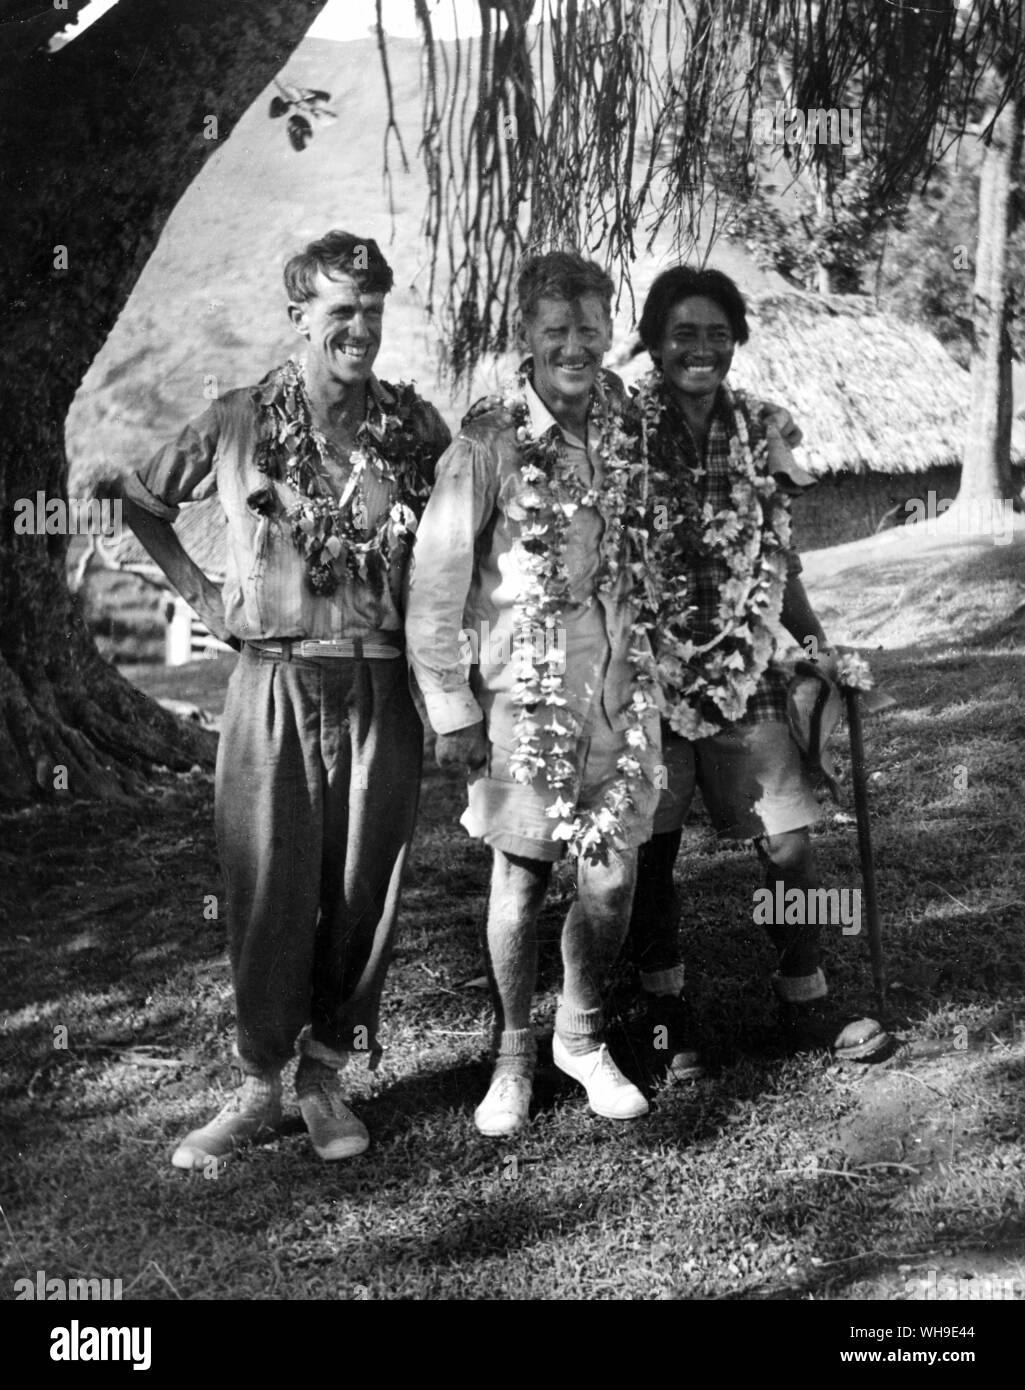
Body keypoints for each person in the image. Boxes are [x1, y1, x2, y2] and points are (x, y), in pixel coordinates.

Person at [119, 231, 451, 1169]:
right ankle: (260, 1084)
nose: (359, 327)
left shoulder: (414, 429)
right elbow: (138, 497)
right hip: (270, 678)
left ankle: (325, 1075)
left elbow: (462, 535)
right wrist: (201, 591)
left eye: (372, 310)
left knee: (362, 890)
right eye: (340, 310)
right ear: (299, 315)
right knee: (269, 887)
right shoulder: (237, 420)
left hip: (379, 681)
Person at [405, 251, 664, 1137]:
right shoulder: (486, 444)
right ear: (525, 337)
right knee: (520, 880)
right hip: (525, 692)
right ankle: (513, 1053)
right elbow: (435, 587)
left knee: (613, 882)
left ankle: (581, 1037)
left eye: (590, 331)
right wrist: (453, 710)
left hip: (621, 691)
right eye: (556, 332)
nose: (575, 347)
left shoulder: (630, 428)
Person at [622, 265, 890, 1072]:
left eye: (716, 333)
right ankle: (664, 1013)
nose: (699, 349)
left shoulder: (760, 428)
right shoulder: (617, 430)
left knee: (789, 842)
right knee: (649, 850)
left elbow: (780, 557)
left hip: (749, 666)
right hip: (646, 672)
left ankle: (803, 996)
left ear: (735, 341)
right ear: (653, 341)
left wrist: (817, 646)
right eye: (682, 334)